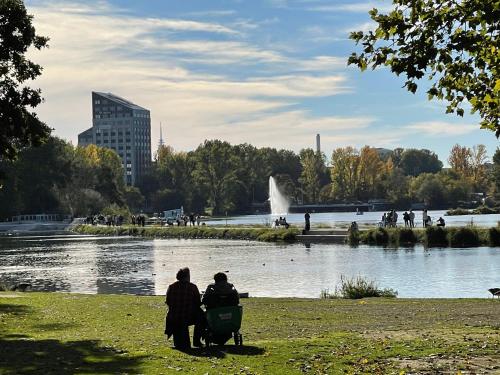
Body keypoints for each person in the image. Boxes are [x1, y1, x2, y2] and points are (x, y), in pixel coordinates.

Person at [165, 267, 206, 350]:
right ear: (187, 276)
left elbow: (168, 301)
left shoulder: (171, 287)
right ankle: (197, 340)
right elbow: (197, 302)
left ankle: (179, 342)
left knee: (175, 317)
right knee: (202, 316)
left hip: (174, 317)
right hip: (188, 316)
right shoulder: (192, 287)